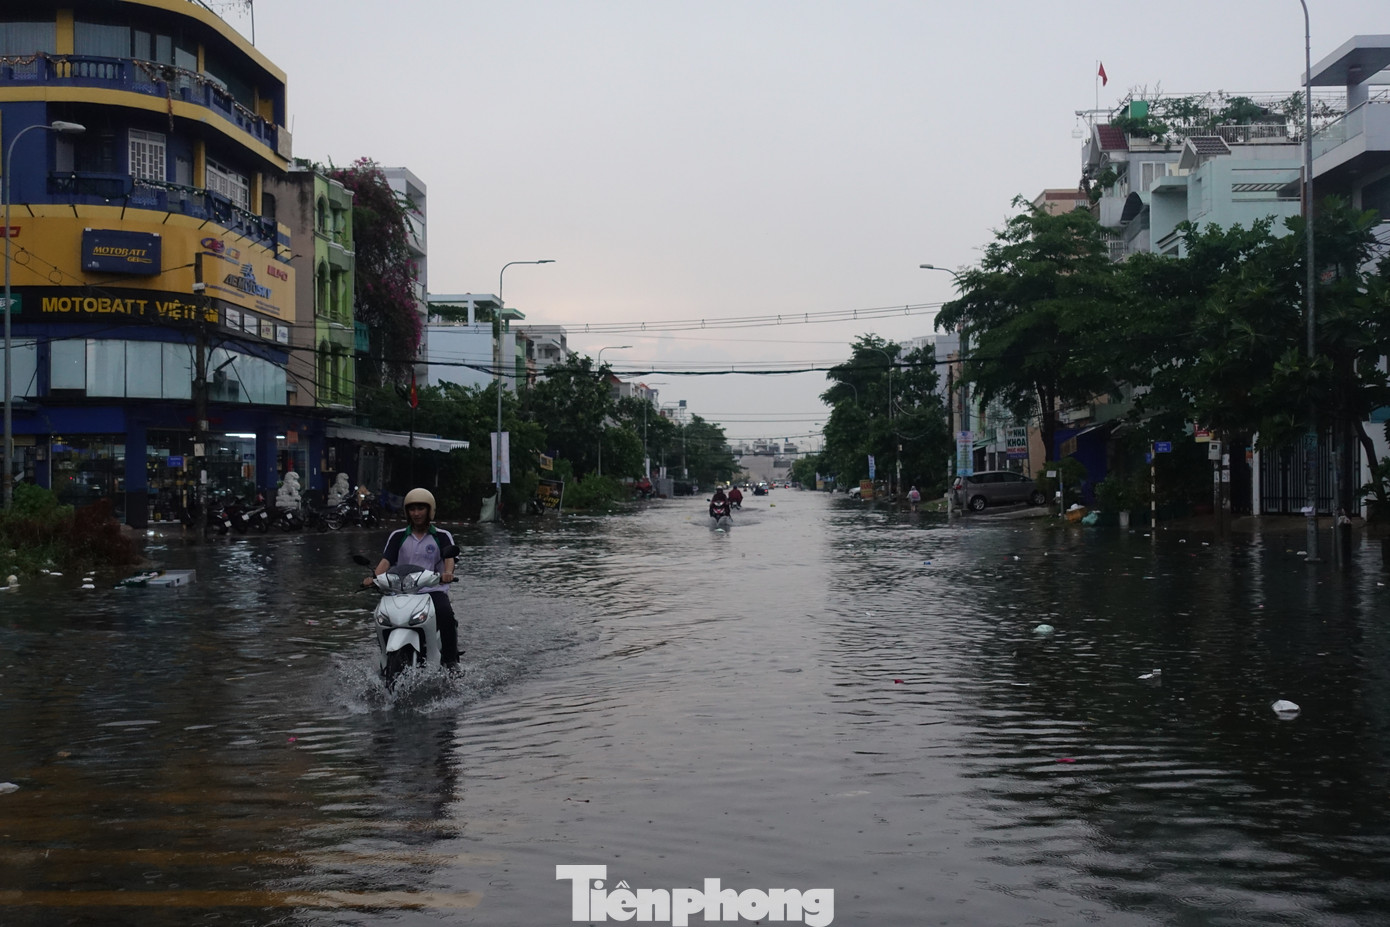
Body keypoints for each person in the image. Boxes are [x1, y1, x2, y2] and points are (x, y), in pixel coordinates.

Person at [362, 488, 459, 667]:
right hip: (401, 591)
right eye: (412, 509)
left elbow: (449, 559)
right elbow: (386, 561)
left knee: (445, 614)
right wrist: (373, 578)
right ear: (407, 512)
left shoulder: (441, 536)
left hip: (432, 590)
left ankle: (451, 661)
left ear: (429, 510)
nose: (416, 513)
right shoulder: (398, 536)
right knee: (381, 616)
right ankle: (385, 656)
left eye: (420, 508)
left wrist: (447, 574)